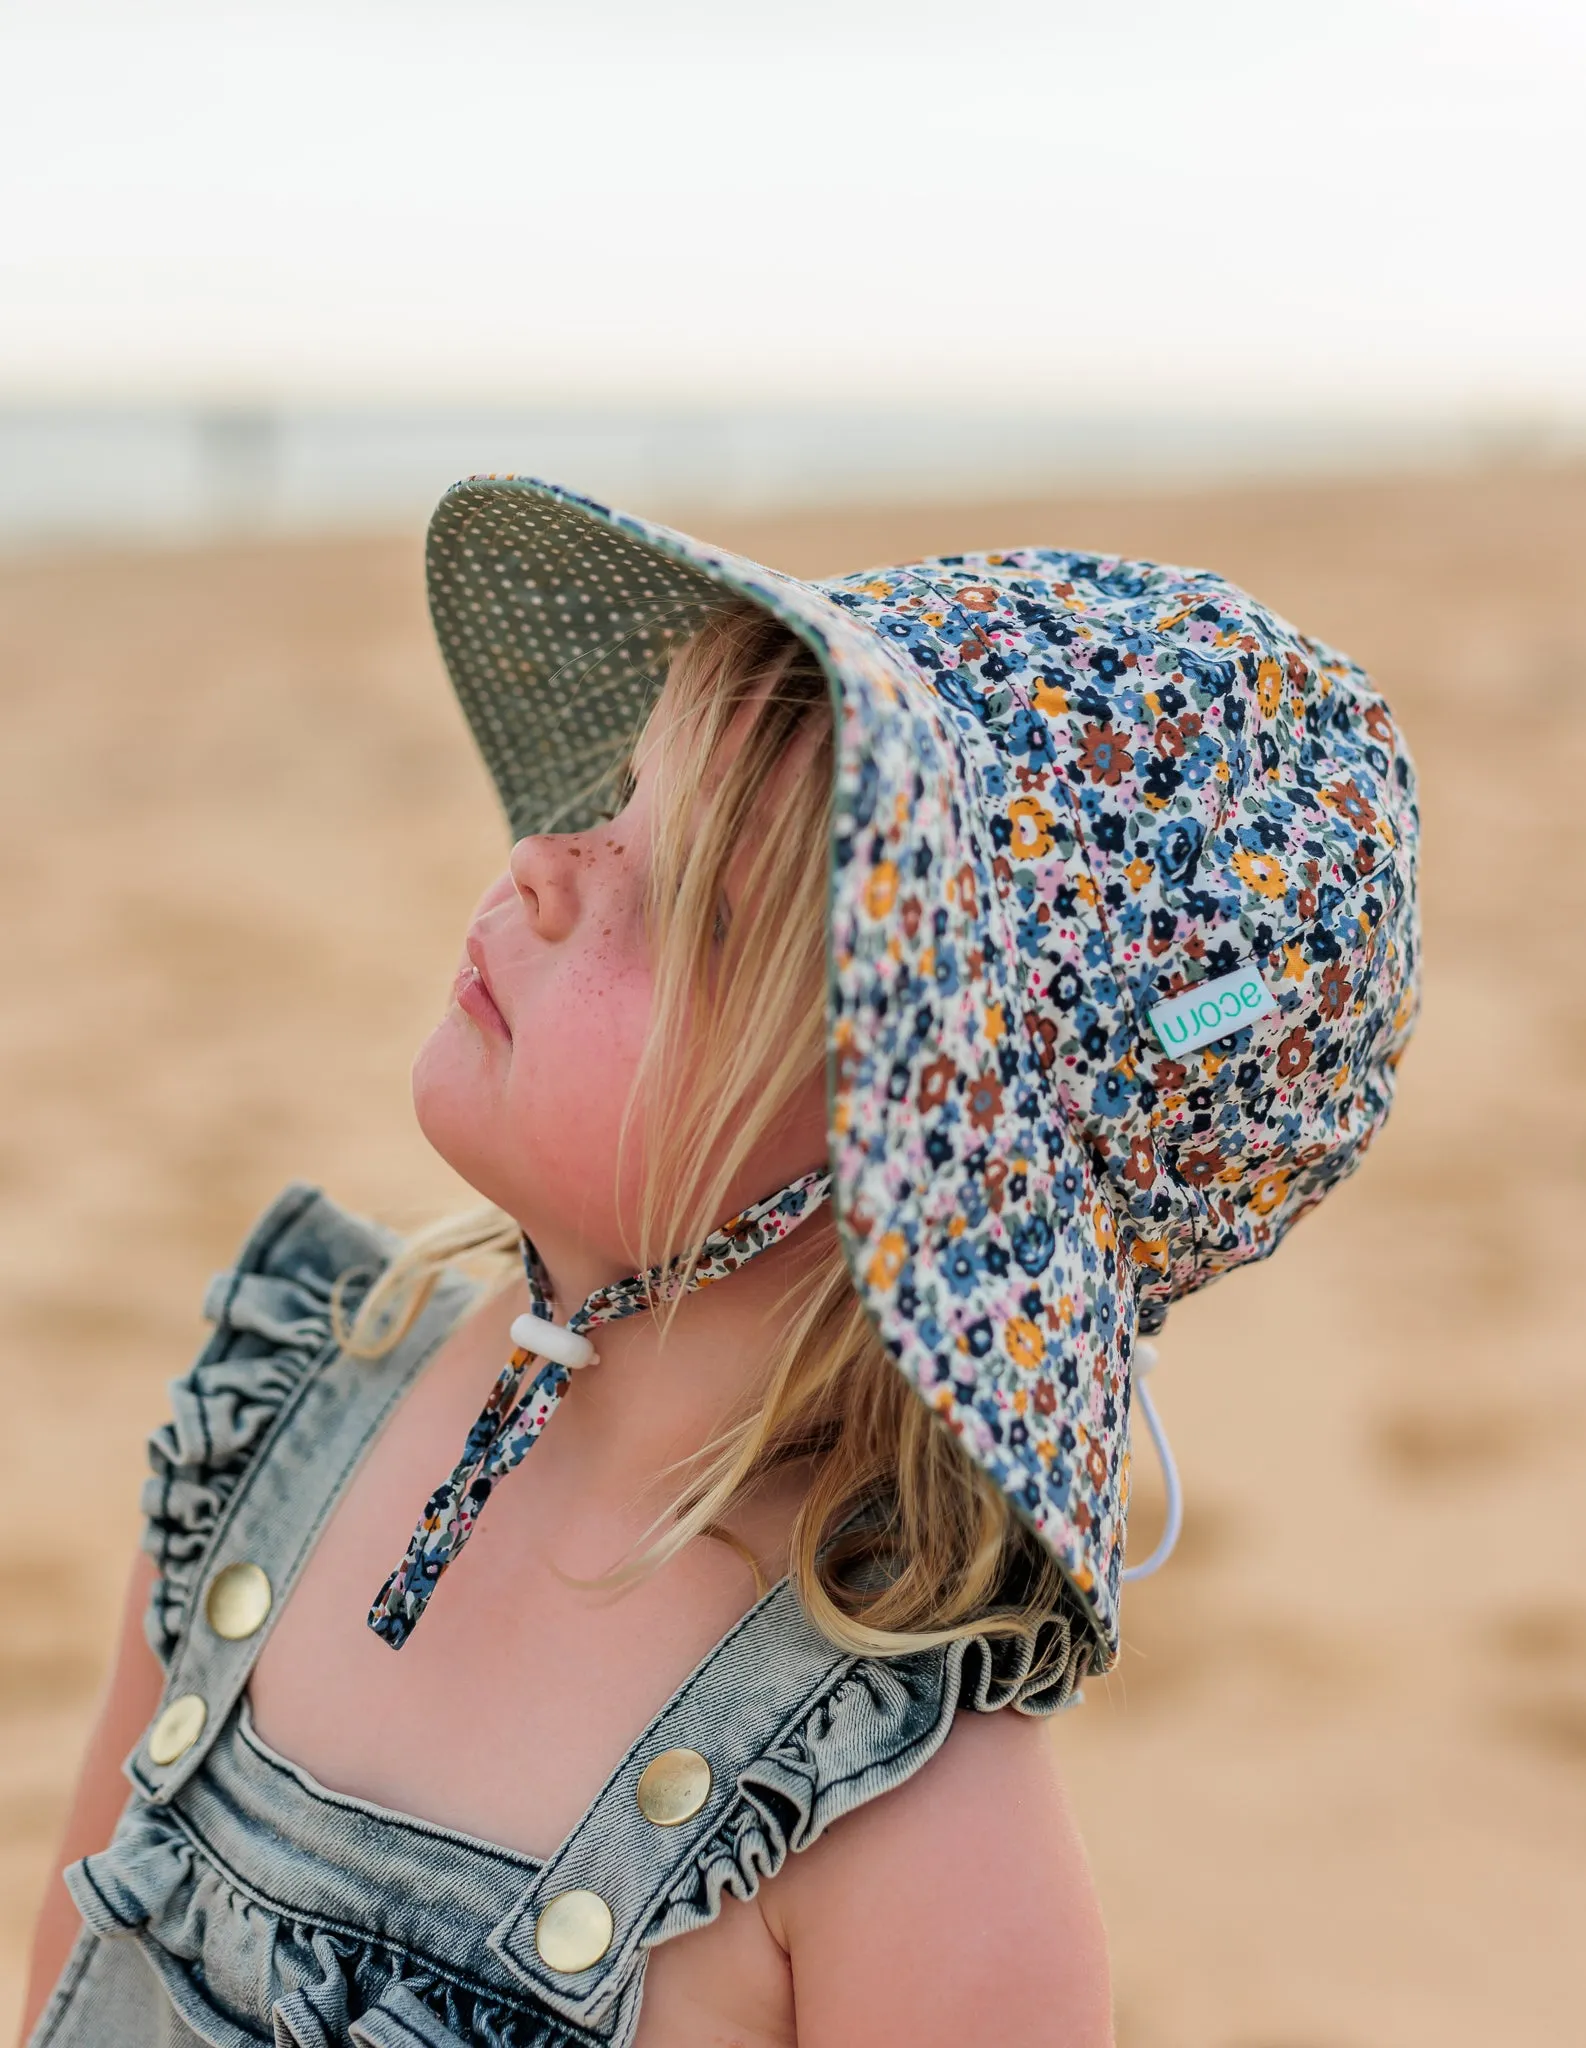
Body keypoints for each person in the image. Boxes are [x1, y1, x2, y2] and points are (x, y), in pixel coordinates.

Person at [21, 475, 1420, 2048]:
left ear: (899, 1163)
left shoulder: (895, 1832)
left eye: (680, 899)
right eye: (616, 796)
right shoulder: (287, 1403)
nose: (548, 863)